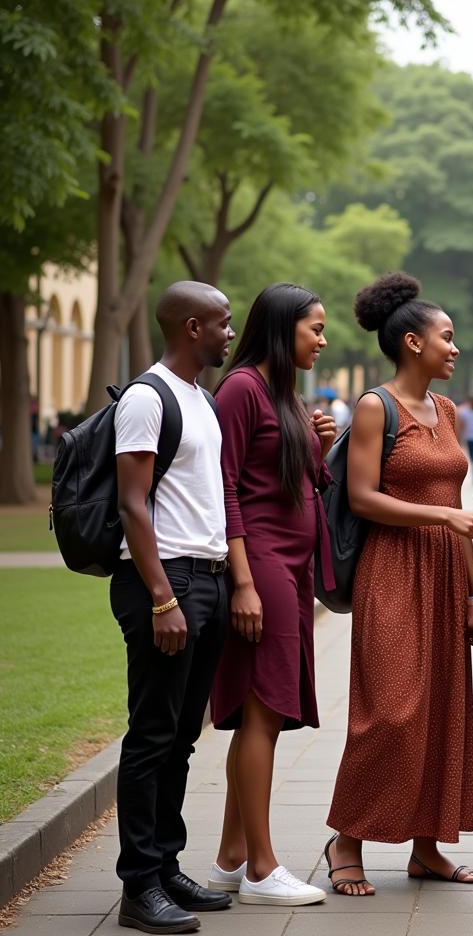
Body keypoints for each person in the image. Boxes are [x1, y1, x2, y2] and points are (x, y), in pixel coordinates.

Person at [323, 272, 473, 895]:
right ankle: (347, 838)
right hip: (392, 573)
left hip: (449, 573)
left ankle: (427, 847)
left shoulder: (446, 410)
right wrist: (443, 516)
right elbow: (364, 498)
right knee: (390, 712)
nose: (455, 347)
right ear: (413, 343)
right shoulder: (377, 406)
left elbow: (454, 496)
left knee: (444, 711)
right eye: (446, 337)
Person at [111, 281, 235, 933]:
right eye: (222, 322)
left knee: (183, 735)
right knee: (154, 732)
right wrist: (162, 597)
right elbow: (135, 504)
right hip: (166, 581)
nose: (229, 333)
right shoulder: (146, 397)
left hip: (206, 578)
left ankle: (165, 866)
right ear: (192, 327)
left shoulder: (201, 399)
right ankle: (138, 886)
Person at [208, 284, 335, 906]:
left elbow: (303, 480)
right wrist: (244, 583)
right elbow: (224, 487)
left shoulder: (285, 395)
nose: (322, 338)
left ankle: (232, 855)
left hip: (293, 563)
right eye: (315, 328)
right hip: (261, 564)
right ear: (284, 330)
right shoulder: (240, 390)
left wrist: (324, 445)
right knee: (263, 708)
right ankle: (262, 867)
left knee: (270, 710)